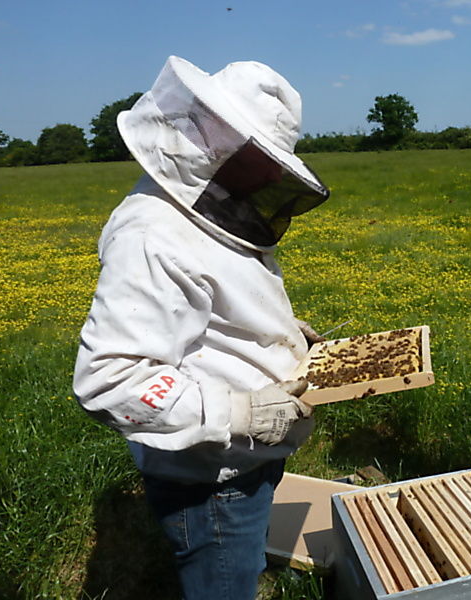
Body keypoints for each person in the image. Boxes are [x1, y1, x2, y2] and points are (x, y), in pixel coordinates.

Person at [73, 55, 329, 600]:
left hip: (245, 462)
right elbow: (110, 378)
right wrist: (239, 411)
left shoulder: (214, 209)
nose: (270, 174)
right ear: (214, 133)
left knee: (242, 565)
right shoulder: (154, 232)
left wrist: (281, 334)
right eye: (261, 155)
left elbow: (215, 305)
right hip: (212, 480)